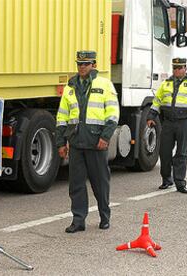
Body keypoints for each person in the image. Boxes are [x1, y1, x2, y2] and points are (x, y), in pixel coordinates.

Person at [56, 50, 119, 233]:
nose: (82, 67)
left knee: (100, 183)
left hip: (96, 142)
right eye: (79, 64)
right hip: (76, 142)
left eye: (86, 64)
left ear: (94, 65)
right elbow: (62, 116)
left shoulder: (104, 84)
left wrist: (105, 137)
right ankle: (78, 220)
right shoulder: (70, 86)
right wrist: (61, 142)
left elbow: (113, 113)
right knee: (76, 185)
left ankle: (104, 216)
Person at [147, 58, 187, 194]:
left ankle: (180, 182)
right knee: (164, 152)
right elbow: (157, 101)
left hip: (184, 122)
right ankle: (166, 180)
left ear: (185, 68)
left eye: (179, 68)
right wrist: (151, 116)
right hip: (168, 122)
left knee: (181, 152)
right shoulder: (166, 84)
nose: (177, 70)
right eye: (175, 68)